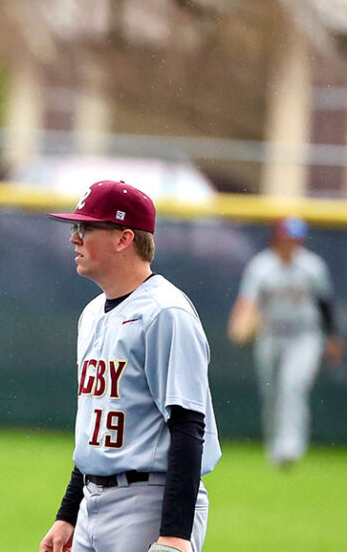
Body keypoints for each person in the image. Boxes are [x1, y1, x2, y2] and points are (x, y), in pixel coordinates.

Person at [39, 180, 221, 552]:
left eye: (86, 228)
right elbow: (95, 428)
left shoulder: (166, 313)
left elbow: (188, 425)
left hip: (150, 502)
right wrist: (68, 514)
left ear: (124, 239)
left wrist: (174, 535)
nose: (75, 237)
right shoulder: (91, 314)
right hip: (94, 500)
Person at [227, 216, 344, 469]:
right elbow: (248, 301)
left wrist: (333, 336)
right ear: (277, 238)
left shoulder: (312, 266)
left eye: (296, 238)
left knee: (293, 386)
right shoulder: (261, 267)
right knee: (272, 393)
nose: (291, 243)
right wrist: (240, 321)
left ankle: (290, 446)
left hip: (305, 337)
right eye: (287, 238)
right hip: (271, 335)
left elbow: (324, 304)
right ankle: (275, 445)